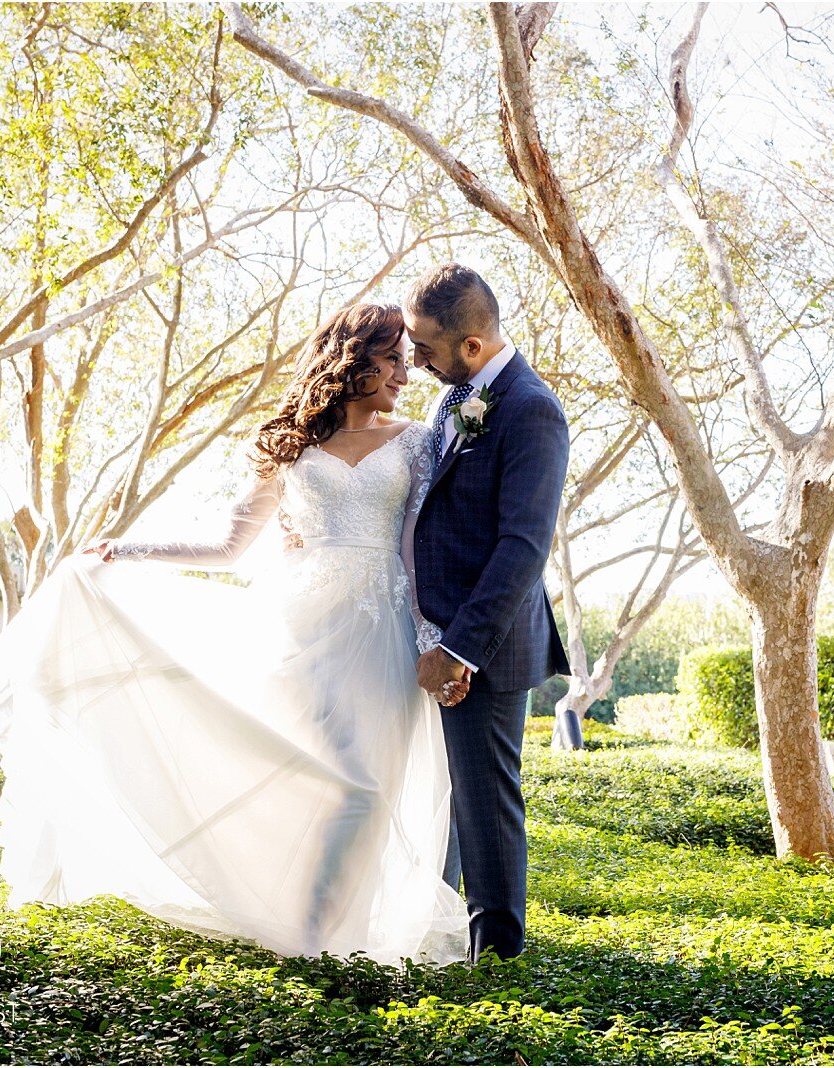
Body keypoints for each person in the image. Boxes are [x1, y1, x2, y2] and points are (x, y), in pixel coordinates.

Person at [0, 301, 471, 966]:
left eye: (408, 360)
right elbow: (229, 545)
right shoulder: (291, 448)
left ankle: (332, 938)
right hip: (307, 629)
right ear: (357, 359)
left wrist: (438, 635)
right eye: (394, 359)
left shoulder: (415, 440)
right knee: (343, 785)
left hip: (387, 630)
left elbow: (421, 542)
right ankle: (311, 938)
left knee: (368, 789)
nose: (405, 373)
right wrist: (129, 550)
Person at [281, 263, 571, 962]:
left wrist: (460, 648)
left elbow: (522, 549)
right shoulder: (458, 399)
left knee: (482, 805)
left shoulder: (531, 409)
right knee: (433, 799)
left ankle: (496, 956)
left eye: (424, 346)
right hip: (423, 632)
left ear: (470, 346)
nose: (413, 360)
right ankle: (431, 933)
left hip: (486, 643)